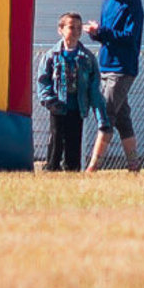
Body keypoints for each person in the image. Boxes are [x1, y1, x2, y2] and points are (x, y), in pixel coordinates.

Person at [84, 0, 144, 175]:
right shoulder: (107, 3)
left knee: (106, 114)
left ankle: (93, 166)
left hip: (123, 68)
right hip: (105, 65)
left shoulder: (133, 4)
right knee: (122, 118)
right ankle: (134, 165)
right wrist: (96, 33)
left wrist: (103, 32)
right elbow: (106, 35)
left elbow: (129, 37)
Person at [36, 12, 94, 172]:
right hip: (58, 105)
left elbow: (93, 82)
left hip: (77, 106)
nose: (75, 31)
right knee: (56, 138)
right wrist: (49, 100)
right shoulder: (51, 55)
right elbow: (43, 80)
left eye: (78, 27)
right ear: (60, 29)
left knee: (74, 139)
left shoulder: (86, 57)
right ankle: (52, 167)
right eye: (71, 27)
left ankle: (72, 168)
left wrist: (94, 102)